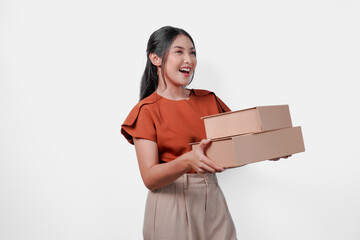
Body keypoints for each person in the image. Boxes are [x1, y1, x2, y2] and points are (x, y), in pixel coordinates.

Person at [121, 26, 237, 240]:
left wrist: (266, 150)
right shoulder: (146, 111)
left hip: (213, 199)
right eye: (179, 51)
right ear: (155, 58)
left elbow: (235, 147)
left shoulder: (209, 100)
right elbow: (149, 177)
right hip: (170, 202)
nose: (189, 59)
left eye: (192, 52)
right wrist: (187, 161)